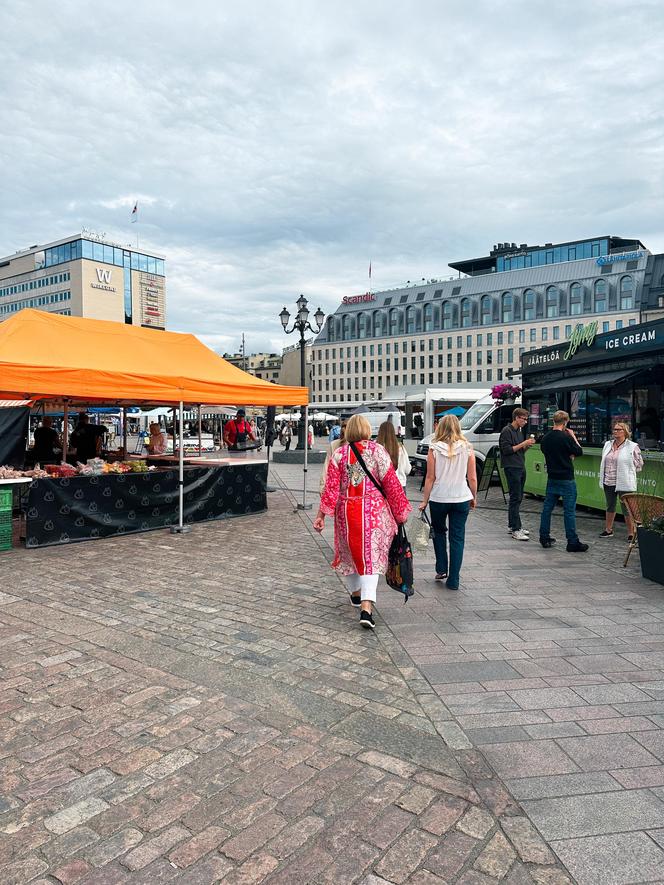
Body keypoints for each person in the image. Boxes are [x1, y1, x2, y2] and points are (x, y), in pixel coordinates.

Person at [314, 415, 411, 630]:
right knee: (371, 557)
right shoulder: (377, 451)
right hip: (373, 511)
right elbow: (392, 484)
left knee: (349, 554)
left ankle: (356, 594)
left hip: (346, 512)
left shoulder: (340, 454)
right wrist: (401, 511)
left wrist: (321, 515)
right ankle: (366, 606)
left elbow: (331, 489)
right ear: (367, 430)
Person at [418, 415, 477, 590]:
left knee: (439, 532)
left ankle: (442, 567)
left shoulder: (434, 448)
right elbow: (472, 477)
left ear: (440, 427)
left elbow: (430, 477)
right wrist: (473, 496)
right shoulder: (468, 448)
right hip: (461, 497)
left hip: (438, 497)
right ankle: (454, 580)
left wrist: (424, 500)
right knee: (457, 538)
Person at [539, 410, 588, 552]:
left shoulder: (546, 438)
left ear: (553, 421)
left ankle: (544, 537)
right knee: (569, 511)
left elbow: (547, 453)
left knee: (547, 509)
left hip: (552, 477)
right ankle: (572, 542)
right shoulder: (565, 437)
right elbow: (579, 451)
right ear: (565, 422)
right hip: (566, 478)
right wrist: (573, 437)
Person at [599, 422, 643, 540]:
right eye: (614, 429)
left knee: (627, 507)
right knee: (610, 505)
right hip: (608, 480)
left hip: (624, 481)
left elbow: (639, 465)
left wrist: (628, 471)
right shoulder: (607, 444)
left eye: (619, 430)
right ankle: (608, 530)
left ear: (625, 432)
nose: (615, 432)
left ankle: (631, 533)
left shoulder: (632, 446)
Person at [499, 407, 536, 541]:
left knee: (518, 497)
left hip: (520, 465)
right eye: (523, 419)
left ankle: (512, 525)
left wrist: (525, 446)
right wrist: (523, 443)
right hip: (512, 467)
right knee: (515, 497)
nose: (525, 422)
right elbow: (507, 450)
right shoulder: (506, 431)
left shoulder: (518, 431)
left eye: (526, 419)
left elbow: (519, 451)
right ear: (516, 418)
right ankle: (516, 529)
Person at [377, 420, 412, 488]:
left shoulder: (376, 448)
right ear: (393, 432)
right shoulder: (400, 448)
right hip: (399, 484)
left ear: (380, 432)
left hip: (381, 486)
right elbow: (408, 470)